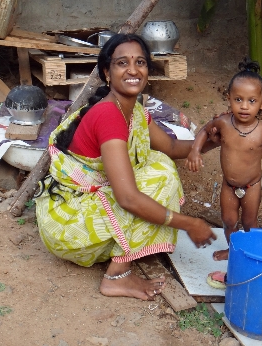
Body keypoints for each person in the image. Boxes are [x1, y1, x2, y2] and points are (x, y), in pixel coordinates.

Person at [35, 33, 219, 301]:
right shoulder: (109, 114)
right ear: (107, 73)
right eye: (122, 63)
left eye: (140, 62)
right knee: (157, 178)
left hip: (85, 209)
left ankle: (129, 246)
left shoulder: (134, 111)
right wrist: (190, 223)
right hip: (68, 226)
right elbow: (127, 198)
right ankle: (116, 277)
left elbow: (169, 147)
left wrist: (210, 141)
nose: (133, 70)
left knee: (160, 163)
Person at [186, 58, 262, 263]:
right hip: (228, 186)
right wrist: (195, 150)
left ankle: (251, 252)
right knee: (228, 222)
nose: (244, 106)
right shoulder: (223, 122)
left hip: (252, 186)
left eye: (252, 101)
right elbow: (204, 130)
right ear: (229, 98)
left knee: (249, 222)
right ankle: (234, 251)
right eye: (238, 100)